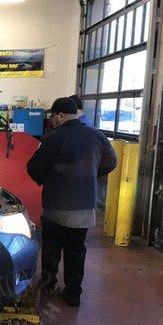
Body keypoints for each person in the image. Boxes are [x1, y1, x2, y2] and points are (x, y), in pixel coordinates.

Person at [27, 97, 117, 307]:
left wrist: (46, 180)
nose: (52, 120)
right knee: (76, 250)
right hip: (85, 205)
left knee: (51, 247)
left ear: (60, 115)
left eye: (52, 116)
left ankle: (48, 286)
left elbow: (33, 167)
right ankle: (73, 294)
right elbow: (111, 161)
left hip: (56, 204)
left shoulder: (52, 138)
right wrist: (91, 175)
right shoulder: (97, 135)